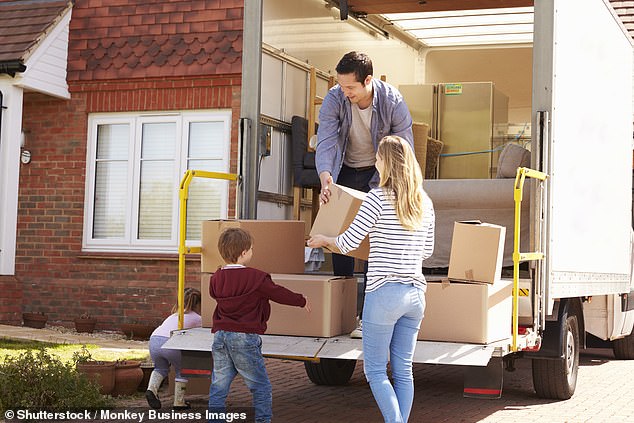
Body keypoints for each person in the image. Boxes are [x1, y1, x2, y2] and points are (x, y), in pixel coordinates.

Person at [308, 135, 435, 423]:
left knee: (376, 371)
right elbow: (427, 250)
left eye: (378, 158)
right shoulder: (424, 202)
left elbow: (349, 242)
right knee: (403, 369)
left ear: (387, 163)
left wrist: (324, 240)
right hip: (415, 294)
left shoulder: (377, 198)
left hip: (383, 293)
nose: (375, 162)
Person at [315, 51, 415, 337]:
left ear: (368, 81)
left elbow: (403, 147)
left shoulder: (392, 101)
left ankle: (368, 318)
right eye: (341, 86)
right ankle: (343, 314)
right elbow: (327, 140)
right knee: (340, 236)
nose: (344, 92)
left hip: (380, 173)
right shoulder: (336, 98)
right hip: (344, 169)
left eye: (350, 88)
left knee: (375, 241)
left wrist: (390, 188)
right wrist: (326, 177)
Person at [207, 228, 311, 423]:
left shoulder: (216, 277)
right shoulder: (256, 278)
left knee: (218, 386)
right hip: (244, 337)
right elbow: (278, 293)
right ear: (244, 252)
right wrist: (301, 300)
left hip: (220, 336)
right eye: (251, 249)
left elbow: (214, 294)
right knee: (260, 386)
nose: (252, 252)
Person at [145, 287, 202, 410]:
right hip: (171, 342)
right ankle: (179, 402)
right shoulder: (197, 318)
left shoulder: (173, 315)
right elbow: (199, 336)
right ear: (198, 304)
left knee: (160, 368)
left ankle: (151, 390)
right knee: (182, 370)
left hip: (154, 340)